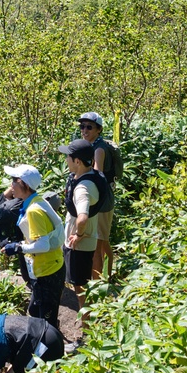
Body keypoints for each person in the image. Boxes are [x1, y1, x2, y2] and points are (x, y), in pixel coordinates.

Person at [0, 164, 65, 328]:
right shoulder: (37, 200)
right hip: (51, 267)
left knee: (46, 321)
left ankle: (51, 351)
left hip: (47, 272)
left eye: (14, 181)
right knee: (36, 311)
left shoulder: (33, 211)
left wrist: (18, 248)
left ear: (24, 185)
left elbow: (42, 244)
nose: (11, 185)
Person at [58, 138, 107, 315]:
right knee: (81, 285)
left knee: (80, 288)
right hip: (84, 242)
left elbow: (83, 218)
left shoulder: (83, 189)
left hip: (80, 246)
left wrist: (78, 235)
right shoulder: (88, 175)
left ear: (77, 161)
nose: (66, 160)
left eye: (68, 157)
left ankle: (86, 329)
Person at [77, 112, 118, 280]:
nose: (84, 130)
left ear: (98, 130)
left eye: (89, 127)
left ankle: (100, 282)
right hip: (103, 198)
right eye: (82, 126)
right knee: (103, 240)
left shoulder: (99, 149)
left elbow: (97, 174)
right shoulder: (94, 145)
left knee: (98, 243)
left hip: (101, 200)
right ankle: (107, 275)